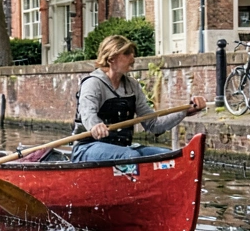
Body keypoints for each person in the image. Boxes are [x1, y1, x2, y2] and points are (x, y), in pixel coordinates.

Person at [71, 35, 207, 162]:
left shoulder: (132, 86)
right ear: (111, 58)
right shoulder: (93, 83)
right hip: (87, 148)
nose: (132, 57)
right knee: (131, 156)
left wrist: (185, 112)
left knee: (167, 155)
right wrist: (95, 125)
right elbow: (87, 113)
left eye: (132, 53)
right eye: (126, 53)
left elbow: (153, 124)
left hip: (121, 149)